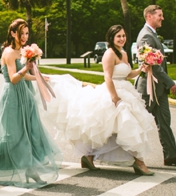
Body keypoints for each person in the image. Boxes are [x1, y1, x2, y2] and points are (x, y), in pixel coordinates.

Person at [45, 25, 156, 174]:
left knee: (111, 129)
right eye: (119, 36)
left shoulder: (123, 53)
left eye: (124, 36)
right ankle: (139, 163)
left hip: (126, 90)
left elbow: (127, 74)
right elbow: (108, 77)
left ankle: (89, 157)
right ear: (111, 38)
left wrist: (141, 69)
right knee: (126, 125)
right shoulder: (109, 54)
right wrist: (115, 98)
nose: (122, 39)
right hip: (113, 92)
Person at [0, 19, 62, 187]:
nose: (24, 37)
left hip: (25, 94)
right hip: (12, 95)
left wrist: (39, 77)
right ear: (13, 33)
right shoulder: (9, 52)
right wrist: (26, 67)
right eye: (21, 33)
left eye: (26, 33)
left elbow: (24, 77)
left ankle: (31, 170)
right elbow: (14, 78)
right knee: (10, 135)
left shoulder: (23, 52)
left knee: (29, 132)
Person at [135, 5, 176, 167]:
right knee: (138, 123)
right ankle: (125, 155)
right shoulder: (145, 36)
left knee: (165, 122)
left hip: (159, 90)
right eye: (159, 15)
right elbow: (152, 65)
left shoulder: (152, 34)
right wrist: (170, 82)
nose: (162, 18)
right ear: (149, 16)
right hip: (148, 88)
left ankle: (171, 156)